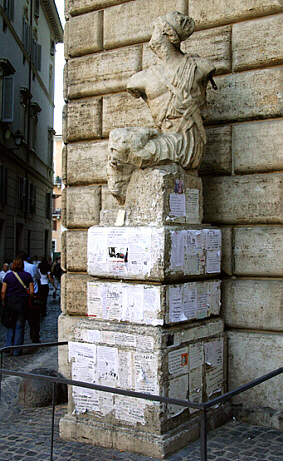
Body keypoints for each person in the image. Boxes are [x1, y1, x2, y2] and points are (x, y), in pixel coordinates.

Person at [107, 11, 217, 204]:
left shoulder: (199, 67)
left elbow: (204, 112)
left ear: (168, 35)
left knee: (128, 145)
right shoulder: (141, 78)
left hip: (187, 140)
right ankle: (123, 197)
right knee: (117, 139)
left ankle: (127, 198)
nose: (152, 35)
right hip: (165, 136)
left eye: (155, 29)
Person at [1, 258, 34, 355]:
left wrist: (3, 301)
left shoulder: (8, 276)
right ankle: (17, 350)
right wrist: (29, 296)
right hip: (22, 303)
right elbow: (31, 291)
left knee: (10, 325)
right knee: (20, 326)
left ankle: (7, 348)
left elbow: (3, 291)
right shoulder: (27, 276)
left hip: (10, 302)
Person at [17, 251, 41, 343]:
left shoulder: (15, 268)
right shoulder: (32, 267)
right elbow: (38, 278)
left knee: (20, 319)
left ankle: (18, 340)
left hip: (20, 295)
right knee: (34, 319)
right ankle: (35, 337)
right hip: (33, 295)